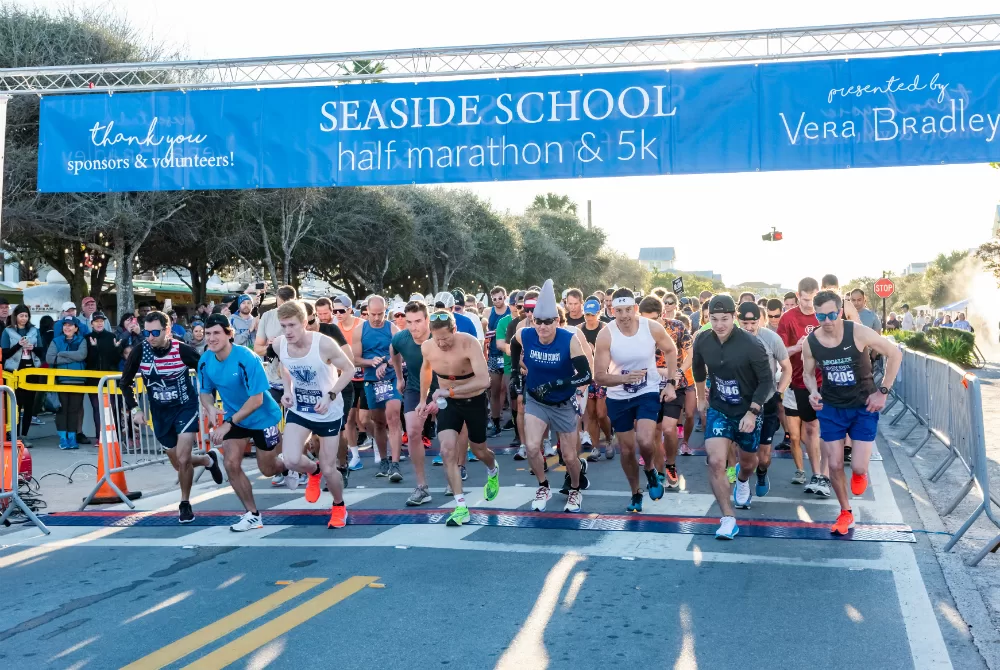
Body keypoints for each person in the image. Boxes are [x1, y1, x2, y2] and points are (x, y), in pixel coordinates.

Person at [802, 291, 901, 534]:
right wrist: (813, 391)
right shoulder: (811, 342)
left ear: (840, 311)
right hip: (832, 408)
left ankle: (861, 473)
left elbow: (895, 353)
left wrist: (883, 392)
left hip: (863, 406)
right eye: (820, 315)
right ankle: (845, 512)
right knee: (834, 464)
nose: (826, 320)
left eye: (832, 314)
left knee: (857, 467)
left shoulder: (857, 331)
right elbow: (807, 373)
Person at [121, 312, 223, 522]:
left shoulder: (182, 350)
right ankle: (207, 459)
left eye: (155, 332)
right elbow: (125, 382)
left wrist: (208, 403)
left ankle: (184, 503)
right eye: (147, 332)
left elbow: (206, 374)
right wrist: (135, 409)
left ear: (167, 331)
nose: (150, 337)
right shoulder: (141, 350)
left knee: (184, 458)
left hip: (185, 406)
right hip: (159, 412)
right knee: (178, 464)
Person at [692, 295, 773, 539]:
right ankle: (728, 519)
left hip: (748, 410)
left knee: (749, 463)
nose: (719, 325)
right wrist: (700, 399)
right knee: (716, 461)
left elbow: (767, 381)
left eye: (724, 319)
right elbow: (697, 370)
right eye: (713, 319)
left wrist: (753, 411)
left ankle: (742, 478)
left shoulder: (751, 344)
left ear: (734, 318)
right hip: (720, 408)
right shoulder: (703, 340)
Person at [594, 288, 678, 513]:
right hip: (619, 397)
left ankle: (650, 469)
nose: (624, 316)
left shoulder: (651, 328)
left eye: (628, 310)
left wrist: (671, 382)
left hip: (647, 392)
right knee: (627, 449)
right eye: (619, 311)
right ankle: (635, 493)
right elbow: (599, 376)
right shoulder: (606, 334)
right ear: (612, 311)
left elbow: (671, 351)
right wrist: (623, 378)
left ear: (635, 309)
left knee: (645, 439)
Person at [198, 313, 284, 531]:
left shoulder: (247, 358)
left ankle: (293, 465)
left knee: (268, 469)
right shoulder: (205, 360)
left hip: (262, 417)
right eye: (208, 334)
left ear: (229, 334)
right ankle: (252, 514)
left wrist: (228, 423)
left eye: (216, 333)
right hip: (235, 418)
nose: (211, 338)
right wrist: (209, 407)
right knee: (230, 463)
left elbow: (257, 400)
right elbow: (205, 392)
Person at [512, 280, 592, 512]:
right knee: (532, 446)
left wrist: (559, 383)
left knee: (568, 456)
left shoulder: (569, 340)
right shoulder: (525, 334)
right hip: (537, 400)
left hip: (563, 402)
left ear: (557, 321)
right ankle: (543, 486)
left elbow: (586, 375)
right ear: (532, 320)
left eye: (548, 321)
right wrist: (517, 370)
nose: (543, 326)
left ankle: (576, 488)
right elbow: (514, 343)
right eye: (538, 321)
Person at [274, 301, 355, 529]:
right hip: (301, 409)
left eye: (292, 325)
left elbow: (349, 369)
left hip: (327, 411)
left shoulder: (324, 344)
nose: (288, 332)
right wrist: (287, 391)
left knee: (331, 469)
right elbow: (285, 368)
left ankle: (339, 506)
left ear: (304, 323)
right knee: (289, 459)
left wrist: (330, 395)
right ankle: (313, 471)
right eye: (283, 326)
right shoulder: (281, 344)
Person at [416, 310, 499, 526]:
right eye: (437, 338)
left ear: (455, 330)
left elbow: (484, 380)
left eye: (446, 338)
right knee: (446, 450)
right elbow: (425, 370)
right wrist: (422, 400)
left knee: (480, 450)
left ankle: (492, 469)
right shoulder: (427, 347)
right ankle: (460, 505)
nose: (442, 343)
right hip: (449, 404)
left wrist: (451, 391)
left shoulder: (469, 343)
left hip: (474, 401)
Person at [776, 277, 829, 496]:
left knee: (820, 430)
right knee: (806, 431)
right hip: (799, 381)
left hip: (825, 381)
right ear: (798, 296)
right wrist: (796, 348)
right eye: (805, 299)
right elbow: (779, 353)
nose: (809, 304)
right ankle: (813, 473)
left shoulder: (826, 315)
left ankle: (821, 475)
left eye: (813, 299)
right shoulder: (788, 319)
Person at [737, 302, 792, 497]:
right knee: (745, 453)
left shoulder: (771, 338)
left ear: (760, 320)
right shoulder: (730, 339)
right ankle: (742, 481)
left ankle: (761, 473)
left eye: (753, 322)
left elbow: (787, 368)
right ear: (737, 320)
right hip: (740, 403)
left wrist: (779, 392)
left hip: (766, 402)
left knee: (764, 457)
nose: (749, 327)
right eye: (744, 323)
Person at [391, 300, 435, 506]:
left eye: (418, 321)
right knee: (414, 432)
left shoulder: (439, 335)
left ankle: (457, 469)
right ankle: (422, 486)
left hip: (442, 388)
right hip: (415, 388)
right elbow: (394, 351)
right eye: (409, 322)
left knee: (450, 435)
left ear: (427, 319)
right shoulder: (401, 338)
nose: (413, 326)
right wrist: (400, 377)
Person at [359, 295, 405, 480]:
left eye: (381, 314)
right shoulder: (360, 330)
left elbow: (399, 353)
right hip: (371, 380)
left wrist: (386, 361)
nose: (377, 318)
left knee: (393, 417)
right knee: (378, 422)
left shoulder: (392, 328)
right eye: (373, 314)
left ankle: (395, 464)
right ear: (367, 311)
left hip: (391, 378)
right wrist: (371, 362)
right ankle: (384, 460)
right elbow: (354, 358)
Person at [46, 316, 89, 450]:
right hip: (61, 381)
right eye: (65, 325)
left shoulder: (82, 340)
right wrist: (72, 357)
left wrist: (62, 354)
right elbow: (50, 358)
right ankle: (63, 438)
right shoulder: (56, 341)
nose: (67, 327)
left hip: (78, 381)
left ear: (76, 328)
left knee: (74, 410)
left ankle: (72, 437)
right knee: (62, 410)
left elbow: (82, 355)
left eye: (71, 325)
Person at [2, 305, 42, 446]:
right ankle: (14, 434)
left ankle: (24, 435)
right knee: (15, 404)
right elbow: (5, 354)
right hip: (14, 371)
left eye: (26, 316)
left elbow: (42, 351)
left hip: (31, 369)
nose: (24, 319)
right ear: (15, 317)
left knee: (29, 404)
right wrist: (19, 345)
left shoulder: (34, 331)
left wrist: (33, 348)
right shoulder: (8, 331)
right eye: (21, 316)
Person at [581, 295, 613, 460]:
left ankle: (608, 439)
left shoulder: (606, 329)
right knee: (591, 414)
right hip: (586, 377)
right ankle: (595, 447)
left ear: (599, 313)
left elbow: (614, 351)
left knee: (601, 413)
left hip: (603, 375)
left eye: (592, 314)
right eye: (587, 314)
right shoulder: (579, 330)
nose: (590, 317)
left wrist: (595, 352)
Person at [84, 312, 120, 442]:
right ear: (91, 323)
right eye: (96, 321)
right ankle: (100, 437)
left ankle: (112, 437)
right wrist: (93, 348)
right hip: (93, 378)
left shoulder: (111, 336)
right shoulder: (87, 337)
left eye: (101, 321)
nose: (99, 323)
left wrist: (117, 348)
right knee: (96, 407)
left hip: (109, 378)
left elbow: (115, 360)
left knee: (110, 408)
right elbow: (87, 359)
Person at [485, 285, 511, 437]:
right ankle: (495, 421)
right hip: (494, 354)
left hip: (508, 354)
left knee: (507, 388)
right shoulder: (489, 312)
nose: (497, 301)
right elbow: (485, 331)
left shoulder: (510, 311)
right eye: (494, 299)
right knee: (494, 390)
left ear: (505, 297)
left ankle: (507, 417)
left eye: (500, 298)